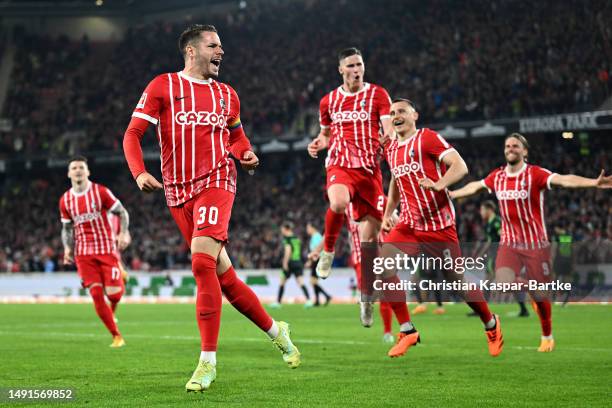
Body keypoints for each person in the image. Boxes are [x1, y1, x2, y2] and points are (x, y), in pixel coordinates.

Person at [122, 24, 300, 392]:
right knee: (225, 278)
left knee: (201, 262)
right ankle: (275, 329)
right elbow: (132, 134)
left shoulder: (227, 95)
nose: (222, 51)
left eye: (221, 46)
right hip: (177, 192)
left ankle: (207, 361)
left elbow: (235, 137)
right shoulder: (163, 87)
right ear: (191, 51)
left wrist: (245, 154)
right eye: (213, 45)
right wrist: (138, 173)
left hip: (218, 181)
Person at [449, 132, 612, 352]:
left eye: (516, 146)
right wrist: (452, 194)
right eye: (507, 146)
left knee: (542, 298)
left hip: (536, 243)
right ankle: (532, 289)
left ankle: (547, 336)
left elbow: (564, 179)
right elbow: (475, 186)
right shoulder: (497, 177)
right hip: (509, 244)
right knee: (504, 283)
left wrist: (593, 182)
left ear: (525, 151)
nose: (510, 149)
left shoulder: (535, 174)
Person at [380, 99, 503, 358]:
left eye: (401, 111)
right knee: (382, 265)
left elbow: (460, 166)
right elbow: (395, 182)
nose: (396, 116)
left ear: (415, 114)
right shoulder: (391, 148)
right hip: (410, 223)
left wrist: (440, 184)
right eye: (392, 113)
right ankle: (407, 329)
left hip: (438, 224)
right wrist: (388, 214)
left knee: (456, 282)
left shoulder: (428, 139)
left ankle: (491, 324)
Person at [307, 47, 393, 283]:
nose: (356, 70)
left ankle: (368, 294)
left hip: (369, 171)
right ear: (341, 69)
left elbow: (388, 128)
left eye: (359, 65)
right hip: (340, 164)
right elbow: (325, 135)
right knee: (338, 202)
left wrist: (389, 138)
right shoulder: (328, 101)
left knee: (370, 240)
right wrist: (318, 142)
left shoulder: (378, 95)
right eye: (351, 66)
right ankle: (328, 251)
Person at [59, 156, 130, 348]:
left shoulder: (100, 192)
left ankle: (120, 276)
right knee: (97, 294)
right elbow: (66, 229)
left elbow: (122, 212)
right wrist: (67, 248)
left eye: (81, 167)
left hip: (106, 249)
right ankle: (117, 336)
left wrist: (124, 233)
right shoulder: (65, 200)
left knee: (114, 295)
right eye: (74, 168)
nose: (78, 170)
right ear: (69, 173)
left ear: (88, 171)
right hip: (83, 254)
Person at [468, 200, 529, 317]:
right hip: (494, 256)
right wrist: (479, 255)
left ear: (489, 209)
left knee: (501, 282)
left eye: (482, 210)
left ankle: (481, 310)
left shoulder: (496, 222)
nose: (481, 212)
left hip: (499, 257)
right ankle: (523, 308)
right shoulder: (489, 224)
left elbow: (504, 238)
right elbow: (489, 242)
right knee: (492, 282)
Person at [272, 222, 312, 307]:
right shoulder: (296, 238)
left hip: (290, 262)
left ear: (286, 229)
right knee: (300, 282)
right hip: (298, 262)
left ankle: (278, 302)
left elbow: (288, 251)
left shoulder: (287, 239)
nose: (281, 231)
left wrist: (285, 263)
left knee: (282, 281)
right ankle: (309, 300)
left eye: (282, 229)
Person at [305, 222, 332, 306]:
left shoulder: (316, 237)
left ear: (313, 228)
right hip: (317, 260)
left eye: (308, 228)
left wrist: (310, 261)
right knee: (314, 281)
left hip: (318, 260)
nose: (307, 230)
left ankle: (326, 296)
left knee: (313, 281)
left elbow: (318, 251)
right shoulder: (315, 236)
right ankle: (317, 300)